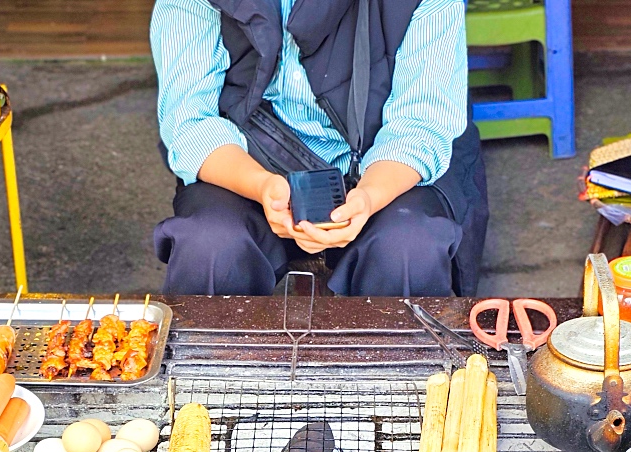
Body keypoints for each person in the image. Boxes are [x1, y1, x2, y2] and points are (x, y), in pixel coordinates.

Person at [150, 0, 488, 298]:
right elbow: (189, 121)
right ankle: (211, 369)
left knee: (408, 246)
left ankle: (400, 371)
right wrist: (263, 186)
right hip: (247, 163)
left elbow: (420, 124)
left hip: (380, 165)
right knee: (210, 243)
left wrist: (368, 197)